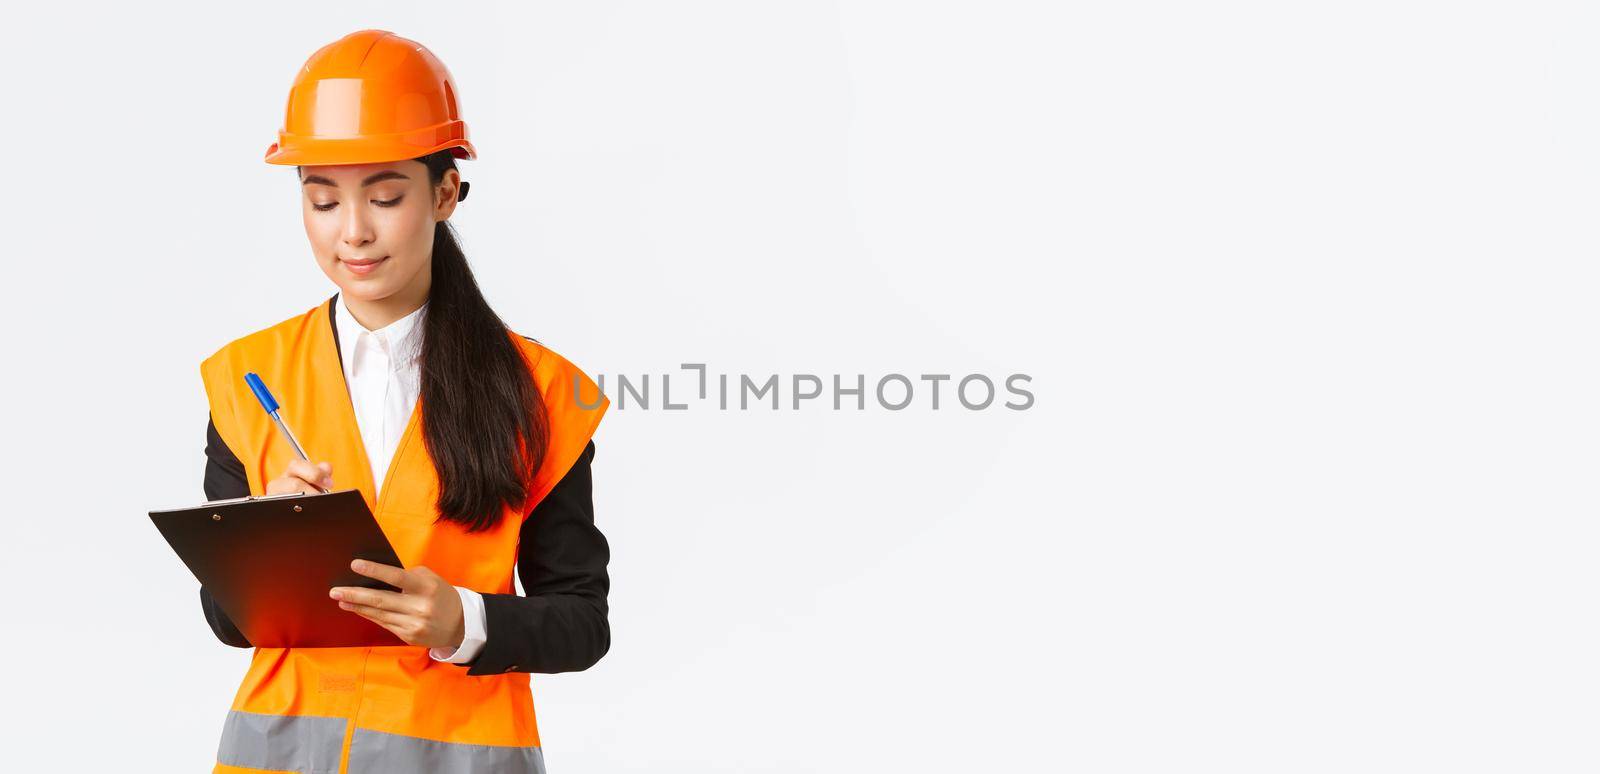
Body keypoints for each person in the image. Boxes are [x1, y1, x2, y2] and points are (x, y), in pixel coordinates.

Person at [194, 29, 611, 773]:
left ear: (445, 192)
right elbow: (229, 624)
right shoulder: (247, 380)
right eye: (322, 201)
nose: (352, 231)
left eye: (385, 196)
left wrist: (464, 620)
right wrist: (264, 544)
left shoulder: (544, 393)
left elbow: (582, 622)